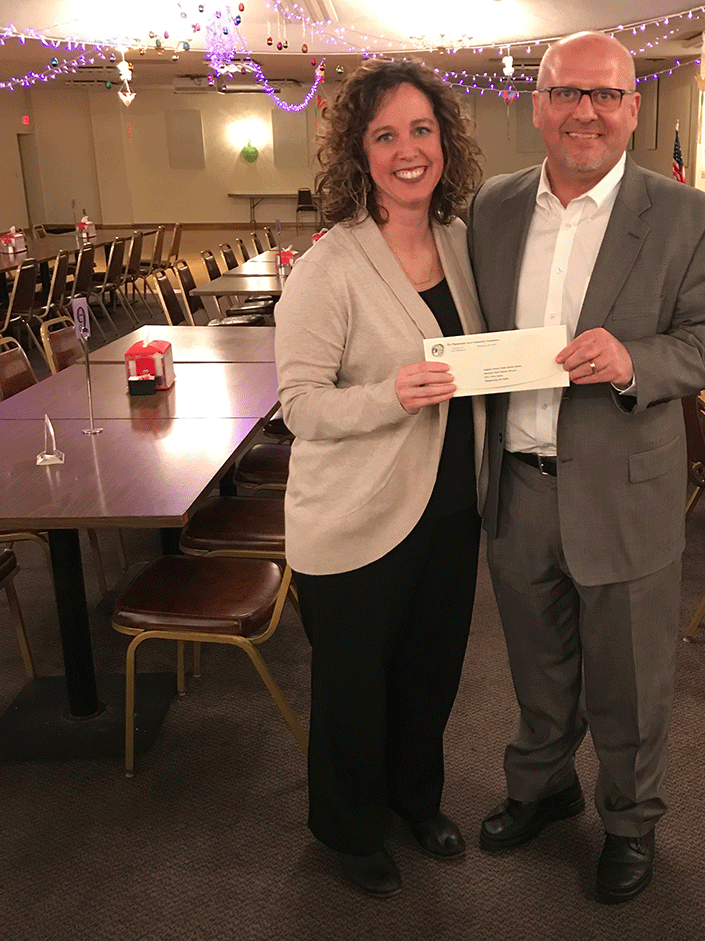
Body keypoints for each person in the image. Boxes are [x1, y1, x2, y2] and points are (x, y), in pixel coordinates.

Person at [467, 32, 705, 903]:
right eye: (565, 93)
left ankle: (629, 821)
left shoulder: (692, 218)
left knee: (629, 679)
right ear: (537, 104)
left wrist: (632, 361)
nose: (583, 111)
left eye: (604, 94)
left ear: (632, 106)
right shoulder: (490, 207)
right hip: (515, 484)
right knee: (536, 663)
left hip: (625, 492)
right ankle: (543, 784)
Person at [275, 59, 486, 898]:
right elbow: (299, 405)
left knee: (430, 673)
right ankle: (350, 826)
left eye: (421, 129)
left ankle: (414, 799)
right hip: (356, 512)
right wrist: (388, 395)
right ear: (359, 154)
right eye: (385, 134)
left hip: (451, 504)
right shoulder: (328, 266)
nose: (408, 150)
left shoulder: (464, 245)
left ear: (445, 142)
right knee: (353, 686)